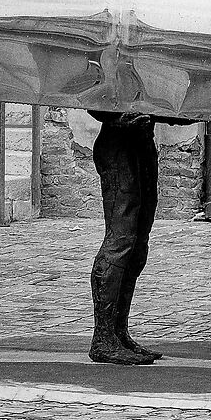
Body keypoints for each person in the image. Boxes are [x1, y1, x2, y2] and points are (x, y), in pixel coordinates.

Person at [87, 111, 165, 366]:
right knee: (121, 241)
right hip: (119, 141)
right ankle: (103, 338)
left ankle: (118, 332)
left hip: (142, 140)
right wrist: (118, 117)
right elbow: (93, 92)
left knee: (138, 244)